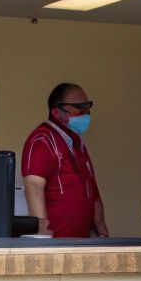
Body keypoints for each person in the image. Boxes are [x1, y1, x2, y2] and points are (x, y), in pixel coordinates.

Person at [21, 83, 108, 238]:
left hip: (82, 242)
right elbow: (33, 185)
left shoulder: (77, 143)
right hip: (56, 244)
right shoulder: (42, 140)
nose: (86, 112)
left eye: (88, 106)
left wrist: (100, 225)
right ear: (56, 111)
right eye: (79, 107)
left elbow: (92, 190)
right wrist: (42, 234)